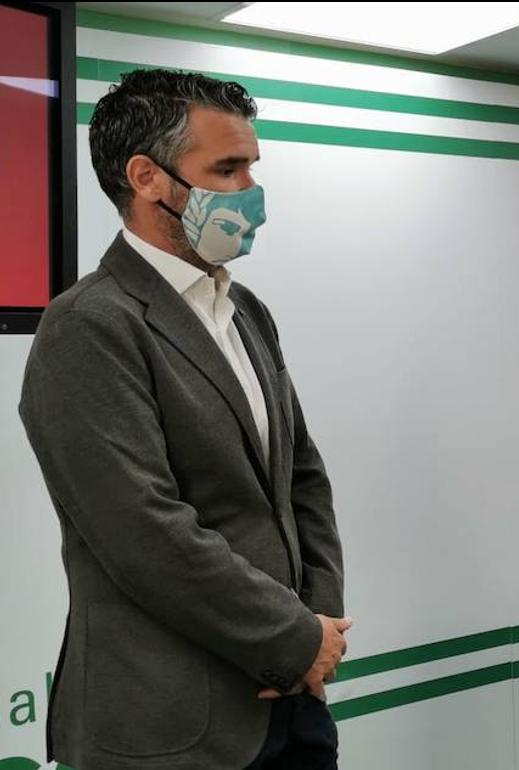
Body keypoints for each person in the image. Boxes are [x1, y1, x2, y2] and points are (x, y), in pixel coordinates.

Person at [19, 69, 349, 770]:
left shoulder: (245, 311)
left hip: (293, 707)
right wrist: (290, 640)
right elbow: (145, 531)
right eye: (226, 169)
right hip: (172, 730)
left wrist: (317, 631)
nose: (250, 192)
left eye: (251, 167)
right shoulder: (87, 325)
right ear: (147, 178)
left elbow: (302, 482)